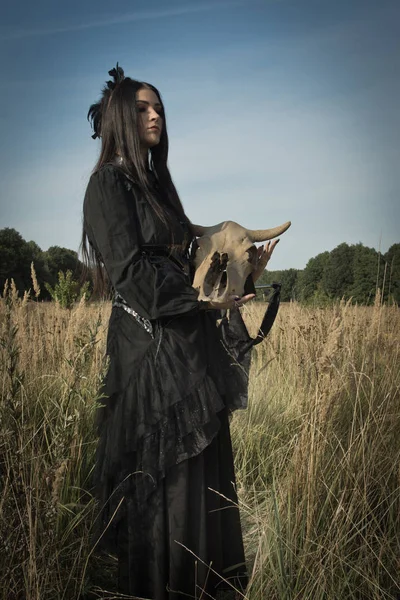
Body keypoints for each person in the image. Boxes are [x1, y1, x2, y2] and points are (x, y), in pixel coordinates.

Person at [81, 64, 278, 599]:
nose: (155, 116)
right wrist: (200, 298)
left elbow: (193, 262)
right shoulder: (107, 184)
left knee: (200, 465)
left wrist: (238, 271)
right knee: (165, 474)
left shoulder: (159, 188)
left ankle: (200, 584)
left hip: (188, 342)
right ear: (120, 116)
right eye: (144, 108)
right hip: (147, 349)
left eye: (160, 108)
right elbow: (129, 272)